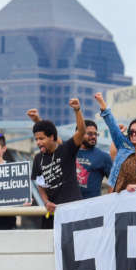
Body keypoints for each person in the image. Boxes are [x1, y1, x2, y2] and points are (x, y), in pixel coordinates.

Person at [30, 97, 87, 228]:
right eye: (36, 139)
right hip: (53, 212)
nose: (38, 142)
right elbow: (40, 185)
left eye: (41, 138)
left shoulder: (67, 149)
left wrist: (77, 110)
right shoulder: (38, 158)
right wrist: (45, 202)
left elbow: (82, 132)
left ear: (52, 137)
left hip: (73, 210)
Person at [75, 121, 113, 198]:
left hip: (92, 206)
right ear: (78, 134)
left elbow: (115, 181)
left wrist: (109, 199)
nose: (93, 137)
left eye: (95, 134)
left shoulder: (103, 157)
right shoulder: (69, 152)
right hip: (69, 204)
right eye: (89, 134)